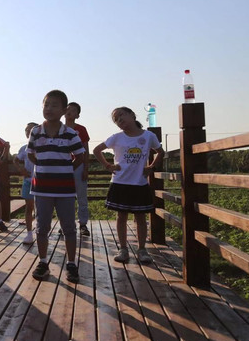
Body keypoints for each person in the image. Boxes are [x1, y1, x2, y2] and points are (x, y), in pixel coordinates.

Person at [93, 107, 164, 264]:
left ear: (132, 115)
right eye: (116, 119)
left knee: (140, 217)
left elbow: (160, 152)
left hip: (139, 182)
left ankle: (142, 249)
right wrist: (108, 165)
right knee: (121, 217)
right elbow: (97, 150)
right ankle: (123, 249)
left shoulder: (148, 136)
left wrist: (151, 167)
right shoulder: (116, 137)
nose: (119, 120)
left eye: (121, 115)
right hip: (120, 182)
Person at [28, 90, 85, 283]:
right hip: (41, 188)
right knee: (41, 227)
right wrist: (42, 166)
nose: (49, 108)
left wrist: (66, 170)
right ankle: (43, 262)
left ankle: (72, 264)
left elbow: (80, 156)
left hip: (65, 189)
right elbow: (30, 154)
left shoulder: (70, 133)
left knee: (69, 227)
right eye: (46, 105)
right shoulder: (36, 131)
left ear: (63, 110)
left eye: (54, 105)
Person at [64, 102, 91, 237]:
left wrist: (86, 168)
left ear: (78, 115)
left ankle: (83, 224)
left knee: (81, 196)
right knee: (64, 197)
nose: (69, 112)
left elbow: (86, 150)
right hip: (63, 166)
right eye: (67, 109)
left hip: (79, 166)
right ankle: (65, 224)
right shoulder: (59, 128)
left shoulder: (81, 129)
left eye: (73, 110)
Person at [14, 122, 38, 245]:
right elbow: (16, 160)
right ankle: (29, 234)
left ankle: (41, 231)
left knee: (41, 208)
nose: (28, 132)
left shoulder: (42, 146)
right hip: (28, 181)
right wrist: (21, 170)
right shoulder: (23, 148)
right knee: (29, 207)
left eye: (31, 129)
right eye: (26, 130)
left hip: (41, 181)